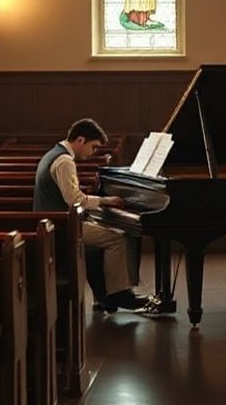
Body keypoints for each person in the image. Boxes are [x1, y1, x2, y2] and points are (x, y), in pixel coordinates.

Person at [33, 118, 152, 311]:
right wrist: (105, 201)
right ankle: (118, 294)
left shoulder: (54, 153)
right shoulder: (64, 161)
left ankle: (103, 295)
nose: (93, 152)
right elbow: (75, 200)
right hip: (59, 227)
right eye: (93, 146)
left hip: (52, 222)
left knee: (106, 231)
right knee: (116, 238)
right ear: (80, 140)